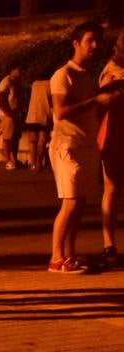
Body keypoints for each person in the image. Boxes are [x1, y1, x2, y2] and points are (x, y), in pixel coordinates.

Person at [47, 22, 113, 274]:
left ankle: (69, 254)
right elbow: (60, 111)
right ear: (76, 43)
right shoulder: (63, 75)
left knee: (79, 203)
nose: (95, 46)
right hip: (67, 146)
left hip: (86, 145)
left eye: (98, 41)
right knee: (70, 203)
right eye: (90, 41)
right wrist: (96, 100)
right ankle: (56, 257)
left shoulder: (86, 75)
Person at [96, 31, 124, 269]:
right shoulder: (112, 69)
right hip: (114, 134)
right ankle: (109, 244)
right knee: (112, 189)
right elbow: (101, 97)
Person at [0, 61, 27, 170]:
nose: (21, 71)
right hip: (8, 114)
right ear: (12, 69)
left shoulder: (18, 81)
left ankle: (14, 159)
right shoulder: (6, 81)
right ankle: (8, 161)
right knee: (7, 138)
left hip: (16, 113)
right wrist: (6, 110)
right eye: (19, 69)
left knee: (16, 137)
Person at [24, 79, 53, 173]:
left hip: (31, 116)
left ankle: (33, 164)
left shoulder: (34, 83)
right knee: (42, 141)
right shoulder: (50, 84)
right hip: (43, 116)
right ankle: (39, 164)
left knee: (33, 142)